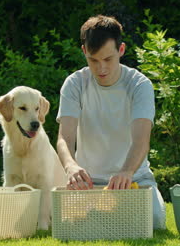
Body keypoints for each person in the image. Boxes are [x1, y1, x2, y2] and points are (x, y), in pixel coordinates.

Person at [56, 15, 166, 229]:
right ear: (84, 52)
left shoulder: (139, 85)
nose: (101, 68)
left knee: (153, 222)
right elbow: (64, 138)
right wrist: (71, 167)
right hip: (89, 185)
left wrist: (126, 171)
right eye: (94, 60)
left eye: (108, 59)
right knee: (73, 227)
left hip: (134, 180)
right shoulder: (74, 84)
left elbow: (141, 140)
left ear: (121, 50)